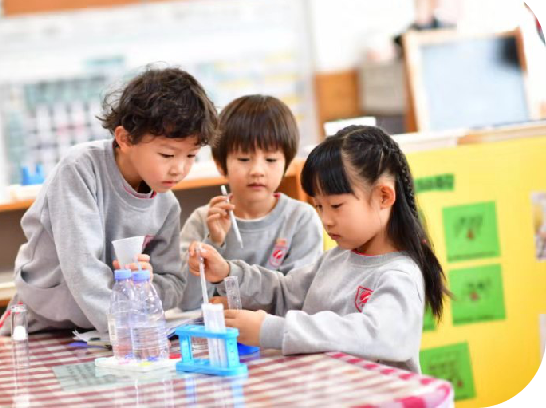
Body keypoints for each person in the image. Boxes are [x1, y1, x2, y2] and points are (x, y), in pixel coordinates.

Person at [188, 125, 449, 373]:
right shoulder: (336, 257)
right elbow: (284, 292)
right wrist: (228, 273)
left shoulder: (399, 274)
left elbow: (376, 335)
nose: (326, 220)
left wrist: (272, 330)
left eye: (336, 206)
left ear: (384, 196)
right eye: (319, 207)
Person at [0, 66, 218, 336]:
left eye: (191, 156)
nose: (179, 169)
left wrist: (146, 284)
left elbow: (173, 284)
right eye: (167, 155)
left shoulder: (166, 204)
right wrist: (127, 332)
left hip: (103, 335)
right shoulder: (80, 170)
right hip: (41, 325)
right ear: (125, 139)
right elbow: (82, 268)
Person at [179, 95, 323, 311]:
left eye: (271, 159)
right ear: (220, 164)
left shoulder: (301, 219)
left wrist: (236, 303)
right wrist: (213, 241)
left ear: (286, 164)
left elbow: (299, 299)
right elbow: (187, 303)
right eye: (244, 159)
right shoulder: (202, 221)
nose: (257, 170)